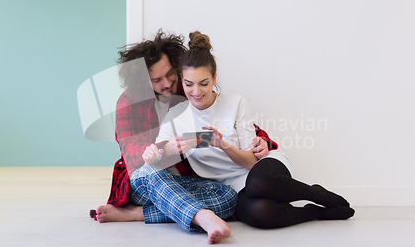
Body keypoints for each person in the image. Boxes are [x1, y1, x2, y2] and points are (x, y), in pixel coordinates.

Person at [145, 31, 355, 229]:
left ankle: (315, 194)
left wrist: (224, 145)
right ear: (182, 80)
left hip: (262, 170)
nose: (196, 92)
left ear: (214, 79)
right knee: (260, 214)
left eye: (204, 83)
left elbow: (252, 162)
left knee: (257, 183)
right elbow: (158, 151)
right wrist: (160, 150)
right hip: (231, 186)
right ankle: (313, 213)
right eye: (189, 84)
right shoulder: (175, 116)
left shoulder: (236, 103)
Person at [93, 31, 278, 242]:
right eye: (156, 79)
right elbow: (130, 152)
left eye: (170, 73)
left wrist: (262, 140)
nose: (167, 83)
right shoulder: (128, 102)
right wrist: (161, 150)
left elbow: (230, 121)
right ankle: (203, 216)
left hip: (185, 180)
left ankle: (136, 214)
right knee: (149, 171)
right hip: (147, 179)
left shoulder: (188, 88)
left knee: (229, 197)